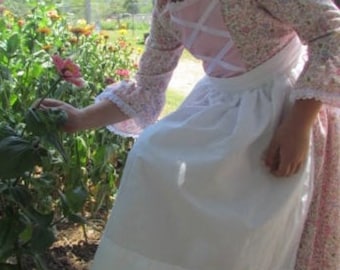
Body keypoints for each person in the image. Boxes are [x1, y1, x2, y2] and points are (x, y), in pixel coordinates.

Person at [40, 0, 340, 269]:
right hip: (222, 105)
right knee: (151, 155)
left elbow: (330, 32)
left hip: (285, 110)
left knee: (256, 221)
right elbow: (147, 90)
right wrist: (80, 119)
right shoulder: (167, 8)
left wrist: (298, 124)